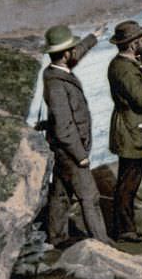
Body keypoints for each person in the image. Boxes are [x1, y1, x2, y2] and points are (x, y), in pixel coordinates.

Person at [41, 23, 112, 247]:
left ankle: (57, 236)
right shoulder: (56, 85)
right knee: (90, 198)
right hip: (70, 151)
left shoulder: (56, 70)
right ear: (65, 54)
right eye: (72, 49)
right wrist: (80, 155)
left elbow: (77, 52)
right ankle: (102, 244)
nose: (75, 52)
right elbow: (63, 127)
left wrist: (94, 36)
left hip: (63, 151)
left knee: (61, 194)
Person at [107, 20, 142, 243]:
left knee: (129, 180)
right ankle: (126, 229)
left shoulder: (125, 62)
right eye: (140, 41)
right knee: (128, 182)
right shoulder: (125, 71)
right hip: (131, 132)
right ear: (131, 45)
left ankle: (124, 225)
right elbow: (141, 102)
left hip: (133, 130)